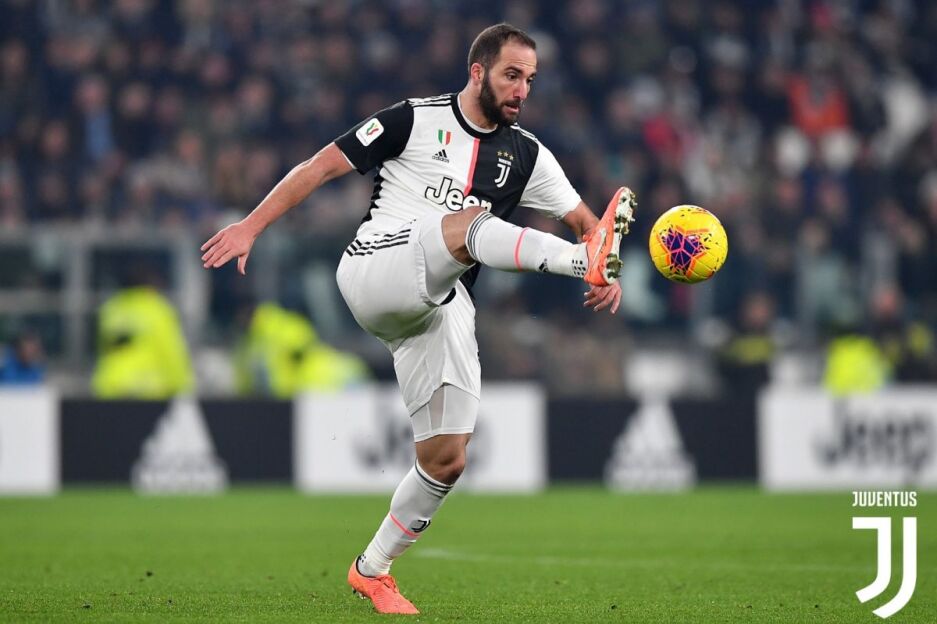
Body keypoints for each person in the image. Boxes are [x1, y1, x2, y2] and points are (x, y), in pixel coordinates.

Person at [201, 23, 635, 615]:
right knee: (468, 224)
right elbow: (321, 166)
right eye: (512, 75)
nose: (522, 90)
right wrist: (251, 226)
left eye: (530, 80)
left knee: (447, 457)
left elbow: (590, 223)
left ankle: (372, 570)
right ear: (478, 72)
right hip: (374, 268)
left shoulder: (529, 155)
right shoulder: (412, 119)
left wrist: (604, 262)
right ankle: (574, 265)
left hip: (438, 304)